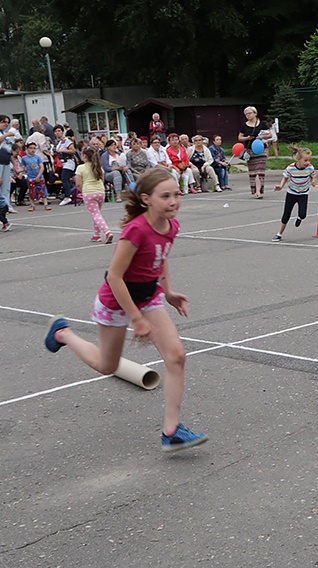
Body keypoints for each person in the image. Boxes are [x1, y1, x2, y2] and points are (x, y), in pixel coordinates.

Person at [44, 169, 208, 453]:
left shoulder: (171, 226)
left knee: (177, 356)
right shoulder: (136, 230)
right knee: (108, 366)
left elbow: (160, 259)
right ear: (146, 199)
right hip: (116, 301)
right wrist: (136, 319)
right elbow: (115, 277)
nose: (174, 201)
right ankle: (63, 333)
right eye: (165, 196)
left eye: (177, 195)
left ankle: (171, 431)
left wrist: (168, 291)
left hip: (148, 296)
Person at [271, 147, 316, 242]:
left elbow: (312, 175)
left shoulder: (310, 167)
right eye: (305, 160)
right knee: (286, 214)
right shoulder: (291, 168)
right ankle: (279, 234)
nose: (308, 162)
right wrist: (280, 186)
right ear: (299, 159)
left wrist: (313, 181)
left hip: (303, 193)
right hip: (291, 193)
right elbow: (285, 178)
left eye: (309, 160)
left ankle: (299, 218)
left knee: (303, 214)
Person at [76, 147, 114, 243]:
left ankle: (107, 232)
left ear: (84, 156)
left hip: (89, 192)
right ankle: (96, 235)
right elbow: (102, 180)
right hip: (100, 192)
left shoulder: (81, 168)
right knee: (97, 213)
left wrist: (82, 191)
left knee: (95, 214)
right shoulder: (99, 168)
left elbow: (78, 183)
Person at [238, 106, 270, 197]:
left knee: (259, 171)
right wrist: (247, 138)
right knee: (253, 172)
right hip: (250, 151)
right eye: (246, 114)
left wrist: (262, 137)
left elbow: (270, 134)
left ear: (255, 113)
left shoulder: (262, 124)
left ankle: (259, 191)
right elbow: (240, 137)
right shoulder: (244, 125)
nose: (248, 115)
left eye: (250, 113)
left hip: (261, 150)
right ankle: (255, 190)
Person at [22, 142, 52, 210]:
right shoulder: (24, 158)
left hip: (39, 177)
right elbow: (23, 167)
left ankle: (46, 204)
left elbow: (42, 167)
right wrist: (17, 170)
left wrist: (39, 176)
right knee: (31, 191)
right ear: (27, 149)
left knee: (43, 190)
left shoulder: (37, 157)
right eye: (31, 148)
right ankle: (32, 205)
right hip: (30, 177)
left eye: (34, 148)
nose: (32, 150)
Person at [54, 125, 77, 205]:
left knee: (65, 178)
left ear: (62, 132)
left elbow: (72, 151)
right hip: (61, 163)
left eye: (59, 131)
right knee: (63, 178)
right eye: (56, 131)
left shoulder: (66, 141)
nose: (57, 133)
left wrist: (62, 151)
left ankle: (68, 196)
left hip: (68, 162)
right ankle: (71, 191)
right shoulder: (58, 142)